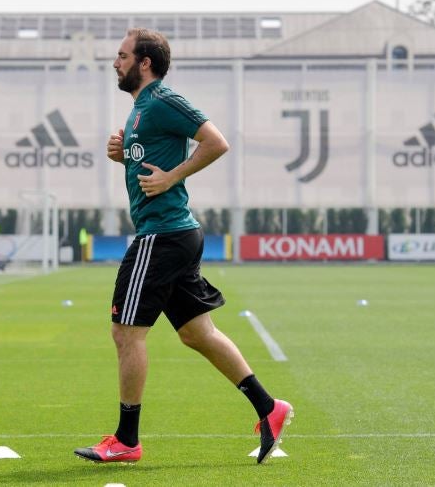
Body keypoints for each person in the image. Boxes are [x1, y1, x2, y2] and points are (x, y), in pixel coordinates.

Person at [74, 28, 293, 465]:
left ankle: (126, 440)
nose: (115, 63)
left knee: (125, 332)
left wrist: (173, 177)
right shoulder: (140, 110)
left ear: (145, 63)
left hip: (163, 235)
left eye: (122, 56)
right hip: (175, 234)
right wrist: (124, 154)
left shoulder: (162, 100)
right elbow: (153, 156)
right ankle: (270, 409)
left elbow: (216, 141)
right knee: (197, 333)